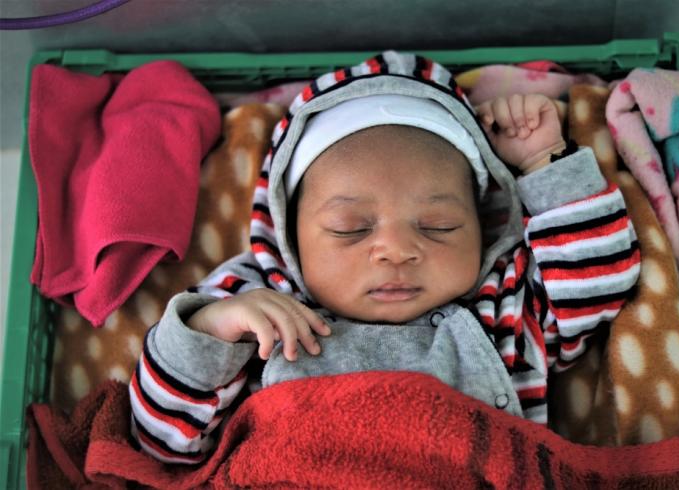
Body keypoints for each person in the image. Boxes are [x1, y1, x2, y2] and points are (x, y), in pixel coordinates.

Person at [129, 52, 641, 464]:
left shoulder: (502, 303)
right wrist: (209, 332)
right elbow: (160, 441)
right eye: (350, 229)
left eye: (439, 226)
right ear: (289, 233)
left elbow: (598, 287)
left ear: (481, 225)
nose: (397, 251)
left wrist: (542, 163)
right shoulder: (258, 300)